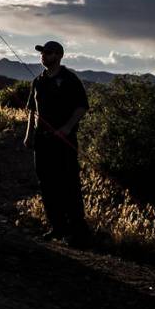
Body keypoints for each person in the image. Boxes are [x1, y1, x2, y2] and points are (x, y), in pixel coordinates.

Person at [23, 40, 91, 247]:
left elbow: (81, 107)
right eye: (42, 52)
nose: (44, 55)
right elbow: (32, 112)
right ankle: (57, 227)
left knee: (68, 184)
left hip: (64, 141)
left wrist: (68, 128)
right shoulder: (38, 81)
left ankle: (77, 232)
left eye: (49, 52)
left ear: (59, 55)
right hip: (42, 142)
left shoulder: (70, 79)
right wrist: (29, 135)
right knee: (47, 184)